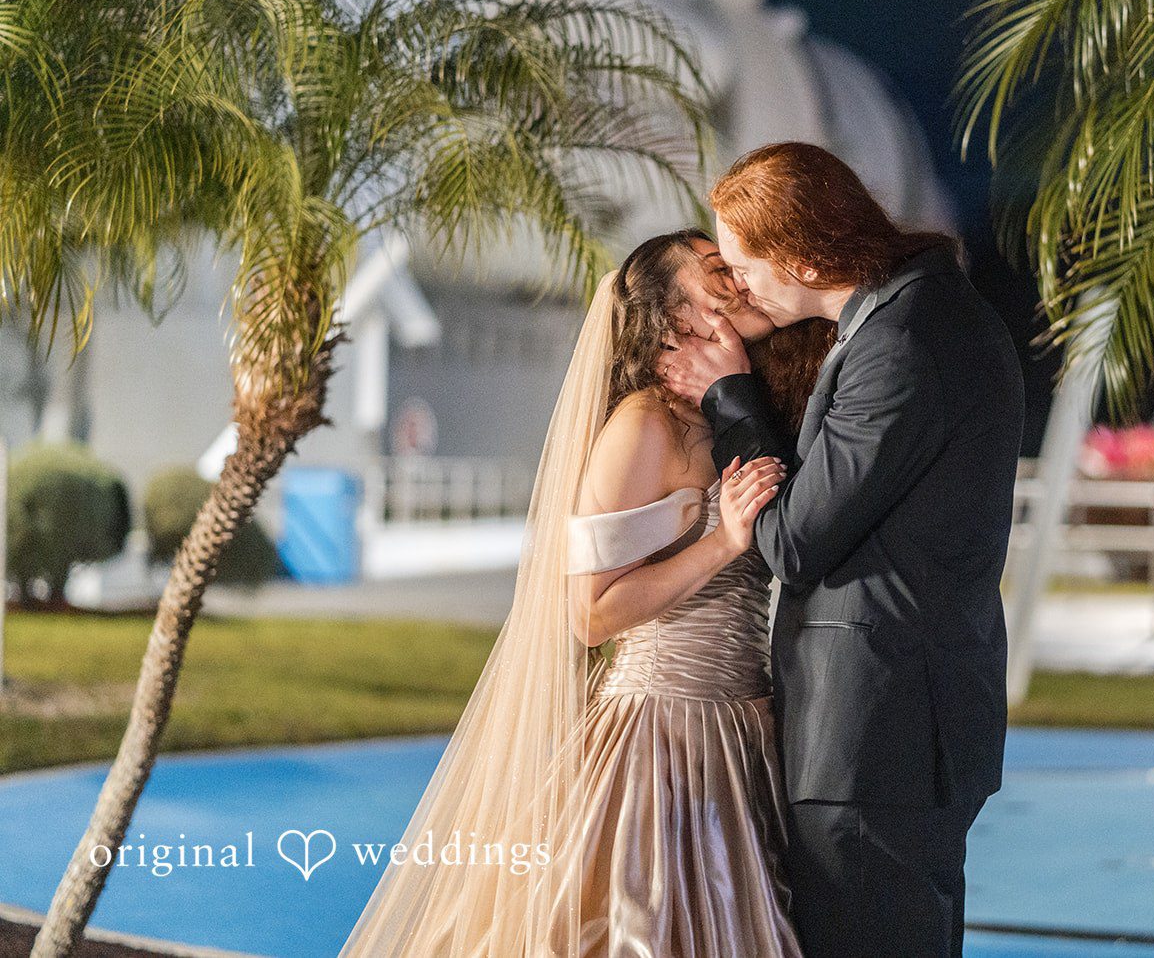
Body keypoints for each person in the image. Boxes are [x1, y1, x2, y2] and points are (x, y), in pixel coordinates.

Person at [339, 229, 831, 957]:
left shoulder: (731, 416)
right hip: (658, 739)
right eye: (715, 270)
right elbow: (591, 613)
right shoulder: (643, 427)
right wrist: (722, 543)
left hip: (740, 733)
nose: (737, 276)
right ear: (672, 321)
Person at [658, 141, 1026, 958]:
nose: (740, 286)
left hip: (873, 737)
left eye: (745, 264)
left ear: (800, 252)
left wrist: (730, 398)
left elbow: (792, 540)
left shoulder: (900, 342)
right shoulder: (924, 312)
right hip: (907, 725)